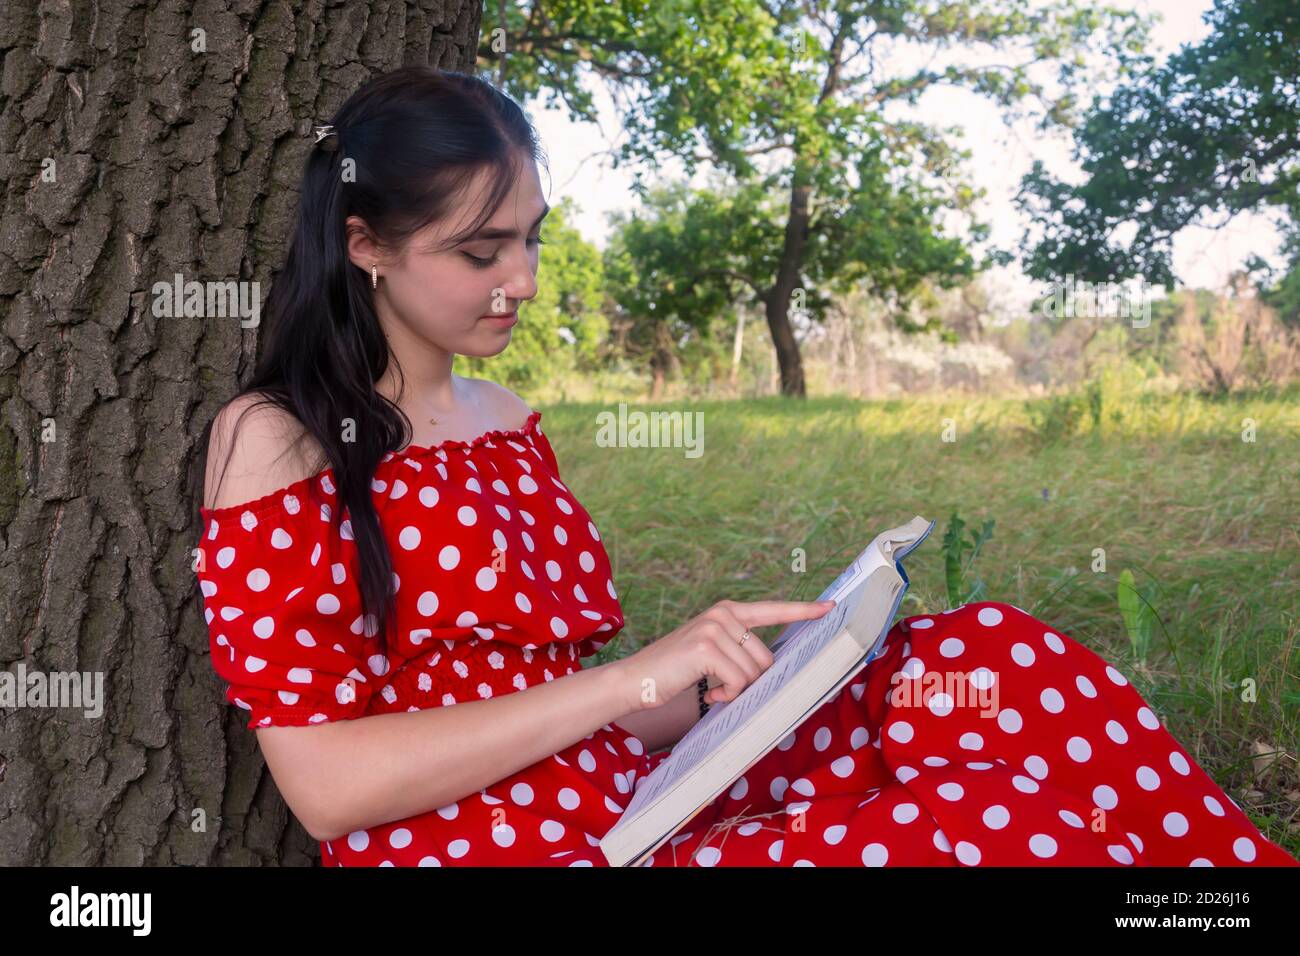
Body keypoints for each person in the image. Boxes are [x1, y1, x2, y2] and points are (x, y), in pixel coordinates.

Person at [192, 66, 1297, 867]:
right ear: (366, 244)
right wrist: (634, 675)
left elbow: (570, 702)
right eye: (480, 251)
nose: (521, 278)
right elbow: (328, 789)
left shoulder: (498, 411)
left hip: (635, 793)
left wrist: (725, 691)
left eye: (531, 236)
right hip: (502, 849)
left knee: (982, 658)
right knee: (979, 831)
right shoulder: (279, 438)